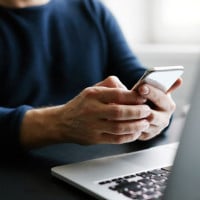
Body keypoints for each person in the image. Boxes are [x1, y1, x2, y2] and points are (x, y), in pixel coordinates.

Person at [0, 0, 182, 154]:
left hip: (96, 165)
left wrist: (157, 111)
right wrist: (59, 123)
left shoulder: (89, 8)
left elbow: (133, 76)